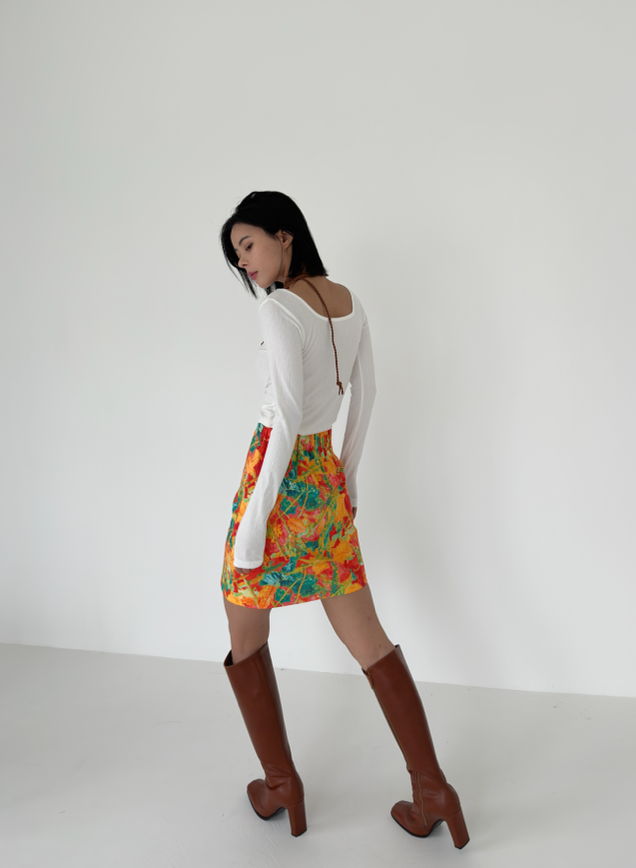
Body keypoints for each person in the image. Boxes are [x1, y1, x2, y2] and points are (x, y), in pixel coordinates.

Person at [218, 190, 469, 849]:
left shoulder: (279, 308)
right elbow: (368, 392)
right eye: (236, 254)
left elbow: (286, 418)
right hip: (323, 478)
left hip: (276, 479)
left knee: (243, 621)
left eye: (248, 244)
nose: (243, 262)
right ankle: (433, 789)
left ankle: (281, 785)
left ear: (285, 235)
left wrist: (255, 522)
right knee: (369, 638)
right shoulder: (349, 300)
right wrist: (346, 474)